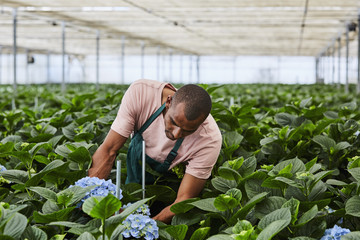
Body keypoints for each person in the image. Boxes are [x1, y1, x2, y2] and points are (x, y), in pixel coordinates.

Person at [88, 79, 222, 223]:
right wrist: (89, 199)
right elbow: (108, 151)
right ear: (168, 102)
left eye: (187, 130)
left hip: (166, 186)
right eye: (174, 122)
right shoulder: (142, 93)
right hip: (136, 165)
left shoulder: (209, 140)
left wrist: (146, 227)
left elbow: (184, 198)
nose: (176, 134)